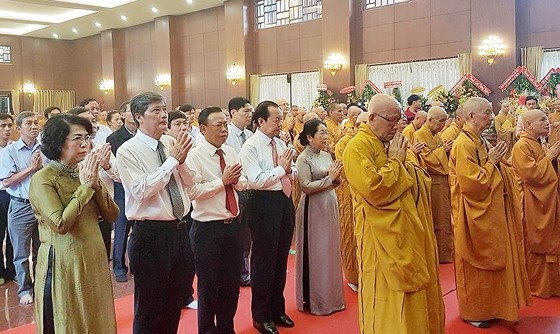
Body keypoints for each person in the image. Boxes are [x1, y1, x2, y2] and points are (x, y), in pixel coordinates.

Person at [343, 94, 444, 334]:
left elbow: (418, 177)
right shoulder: (356, 148)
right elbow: (374, 189)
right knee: (387, 293)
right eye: (391, 120)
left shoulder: (393, 142)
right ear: (373, 119)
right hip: (380, 237)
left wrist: (403, 164)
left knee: (415, 292)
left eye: (399, 120)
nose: (397, 126)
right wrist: (397, 164)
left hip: (407, 228)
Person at [29, 114, 119, 333]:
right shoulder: (43, 178)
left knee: (97, 314)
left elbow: (113, 215)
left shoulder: (84, 171)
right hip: (63, 261)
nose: (84, 144)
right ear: (59, 143)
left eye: (87, 137)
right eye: (77, 138)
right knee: (70, 319)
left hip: (94, 255)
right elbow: (60, 224)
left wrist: (95, 184)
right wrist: (86, 188)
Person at [116, 92, 194, 333]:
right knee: (149, 307)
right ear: (138, 117)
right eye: (156, 111)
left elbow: (189, 181)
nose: (163, 115)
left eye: (164, 109)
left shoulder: (170, 142)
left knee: (173, 303)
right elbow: (141, 190)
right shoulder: (127, 151)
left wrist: (181, 161)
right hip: (150, 235)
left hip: (180, 230)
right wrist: (172, 162)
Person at [449, 97, 531, 328]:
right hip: (474, 217)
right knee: (478, 265)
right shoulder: (463, 144)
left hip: (490, 213)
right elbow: (471, 184)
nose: (492, 117)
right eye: (487, 113)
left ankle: (493, 307)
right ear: (470, 116)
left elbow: (493, 167)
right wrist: (491, 163)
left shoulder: (479, 140)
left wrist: (500, 164)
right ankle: (475, 311)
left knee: (495, 263)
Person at [186, 106, 247, 334]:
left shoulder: (230, 152)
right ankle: (206, 330)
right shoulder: (195, 156)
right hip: (207, 230)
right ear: (203, 129)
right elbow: (193, 192)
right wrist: (222, 181)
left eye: (225, 124)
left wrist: (240, 181)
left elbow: (239, 183)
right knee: (209, 286)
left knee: (231, 286)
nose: (224, 130)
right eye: (218, 125)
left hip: (232, 227)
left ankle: (226, 328)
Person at [239, 100, 297, 334]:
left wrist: (286, 170)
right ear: (260, 121)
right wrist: (281, 170)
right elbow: (256, 180)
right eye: (276, 120)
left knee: (280, 258)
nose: (280, 124)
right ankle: (260, 315)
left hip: (284, 202)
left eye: (281, 119)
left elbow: (292, 171)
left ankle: (277, 309)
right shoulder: (250, 147)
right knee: (264, 261)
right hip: (263, 204)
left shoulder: (280, 143)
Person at [295, 118, 345, 315]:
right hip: (312, 209)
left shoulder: (326, 155)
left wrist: (336, 179)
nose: (326, 136)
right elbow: (306, 186)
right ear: (309, 137)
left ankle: (332, 298)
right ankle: (316, 301)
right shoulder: (303, 158)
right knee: (317, 252)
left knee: (330, 250)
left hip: (329, 203)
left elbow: (334, 179)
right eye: (321, 133)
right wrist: (329, 179)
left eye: (326, 132)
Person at [512, 109, 560, 298]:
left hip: (545, 201)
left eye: (547, 119)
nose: (547, 122)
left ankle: (551, 285)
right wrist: (548, 159)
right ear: (528, 125)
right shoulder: (522, 146)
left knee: (551, 240)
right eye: (542, 120)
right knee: (535, 244)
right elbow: (531, 175)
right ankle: (536, 286)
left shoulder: (538, 143)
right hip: (532, 203)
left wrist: (552, 160)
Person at [0, 111, 42, 304]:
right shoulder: (8, 152)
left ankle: (42, 285)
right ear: (19, 128)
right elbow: (7, 181)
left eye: (36, 122)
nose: (34, 126)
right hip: (21, 205)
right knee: (21, 251)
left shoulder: (46, 148)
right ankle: (25, 289)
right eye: (29, 124)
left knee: (42, 247)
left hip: (43, 205)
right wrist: (31, 169)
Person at [68, 107, 117, 260]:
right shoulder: (66, 153)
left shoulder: (102, 149)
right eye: (85, 122)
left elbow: (120, 177)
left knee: (103, 259)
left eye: (93, 121)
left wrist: (107, 166)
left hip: (103, 212)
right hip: (79, 215)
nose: (92, 125)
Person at [412, 106, 454, 263]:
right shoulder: (419, 135)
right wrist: (443, 150)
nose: (443, 125)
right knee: (436, 217)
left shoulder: (438, 135)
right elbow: (427, 159)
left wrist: (447, 150)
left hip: (442, 180)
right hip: (431, 181)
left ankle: (445, 252)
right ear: (429, 120)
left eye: (445, 121)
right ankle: (436, 253)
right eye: (441, 121)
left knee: (444, 217)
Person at [166, 110, 198, 310]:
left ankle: (186, 295)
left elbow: (192, 179)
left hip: (190, 206)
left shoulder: (192, 147)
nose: (183, 128)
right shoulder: (164, 147)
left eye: (185, 123)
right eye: (177, 124)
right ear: (168, 128)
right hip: (167, 212)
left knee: (188, 256)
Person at [334, 111, 367, 292]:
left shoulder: (372, 142)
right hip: (348, 193)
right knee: (350, 233)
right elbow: (347, 171)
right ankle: (353, 275)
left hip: (366, 195)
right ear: (355, 123)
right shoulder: (344, 144)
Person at [225, 97, 254, 287]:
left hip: (249, 188)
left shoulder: (250, 135)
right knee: (235, 233)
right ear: (233, 113)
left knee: (248, 233)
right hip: (232, 188)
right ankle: (237, 271)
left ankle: (246, 269)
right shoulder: (224, 135)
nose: (250, 115)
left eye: (251, 111)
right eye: (246, 111)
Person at [106, 100, 135, 283]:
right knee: (122, 229)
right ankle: (119, 267)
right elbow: (117, 167)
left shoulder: (142, 134)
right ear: (123, 115)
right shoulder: (115, 138)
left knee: (138, 229)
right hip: (122, 189)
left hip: (140, 187)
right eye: (131, 111)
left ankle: (136, 264)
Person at [0, 113, 15, 286]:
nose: (7, 129)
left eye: (9, 125)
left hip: (14, 194)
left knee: (14, 235)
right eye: (2, 126)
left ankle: (12, 270)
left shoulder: (14, 148)